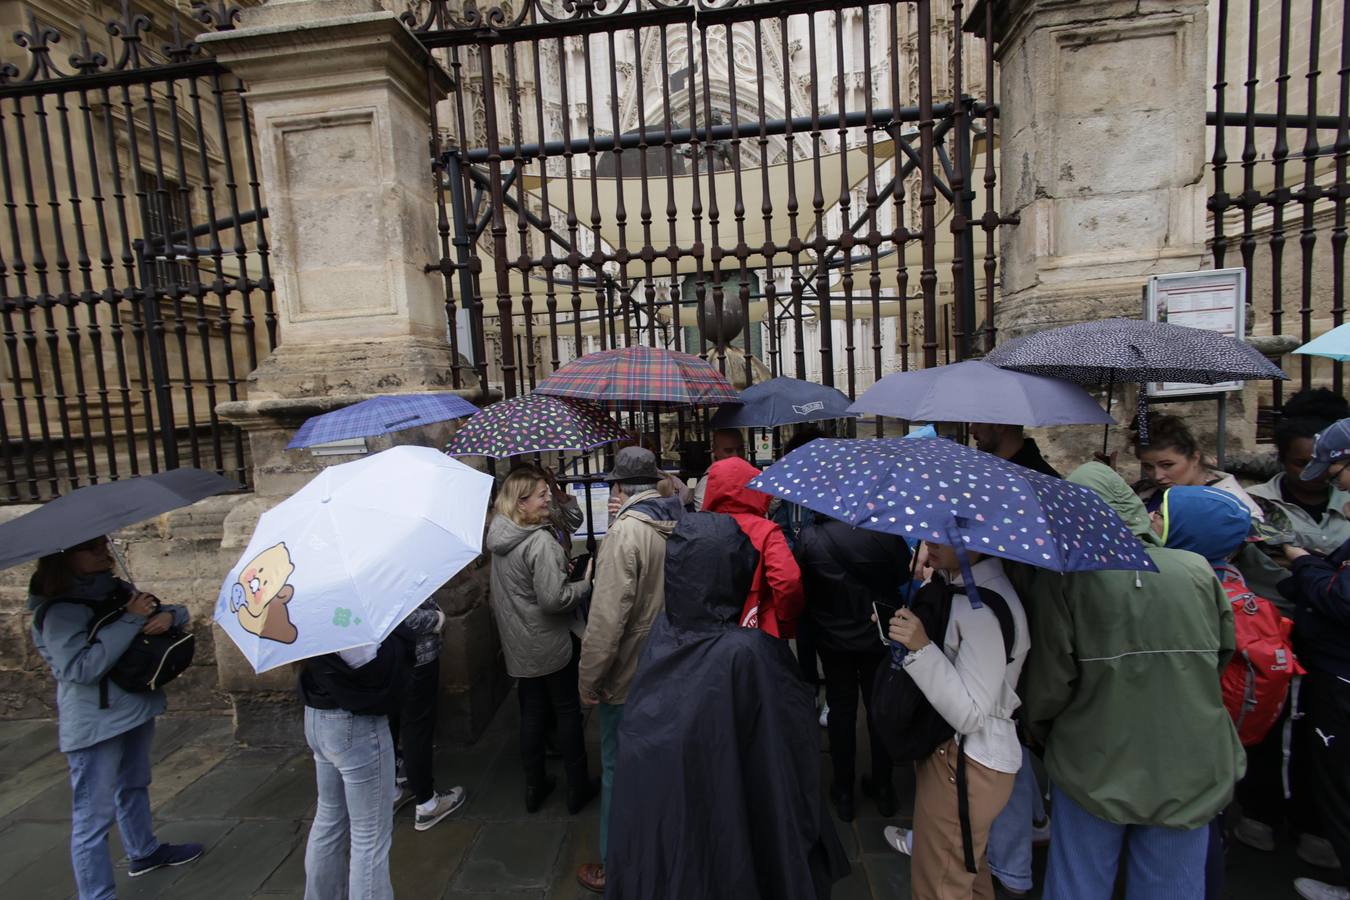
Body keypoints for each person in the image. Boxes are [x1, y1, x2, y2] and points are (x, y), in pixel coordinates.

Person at [1022, 463, 1243, 900]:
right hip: (1189, 761)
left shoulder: (1067, 581)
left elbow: (1050, 685)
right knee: (1172, 884)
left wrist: (1042, 731)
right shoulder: (1197, 570)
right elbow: (1220, 658)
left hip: (1094, 758)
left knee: (1079, 881)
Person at [603, 511, 850, 899]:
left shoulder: (663, 631)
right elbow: (789, 745)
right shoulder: (746, 652)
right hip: (722, 816)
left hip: (669, 821)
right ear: (734, 571)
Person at [28, 535, 203, 900]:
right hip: (96, 723)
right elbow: (79, 669)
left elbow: (170, 610)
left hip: (132, 706)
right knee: (93, 816)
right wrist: (128, 621)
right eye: (90, 549)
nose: (101, 554)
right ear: (65, 559)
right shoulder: (60, 612)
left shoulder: (113, 589)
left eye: (100, 546)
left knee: (135, 783)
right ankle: (96, 894)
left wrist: (169, 615)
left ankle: (144, 851)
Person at [882, 542, 1030, 900]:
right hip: (966, 763)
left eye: (939, 535)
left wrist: (920, 648)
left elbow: (970, 714)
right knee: (967, 876)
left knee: (939, 886)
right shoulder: (969, 590)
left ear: (972, 542)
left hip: (964, 766)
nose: (928, 544)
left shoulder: (982, 610)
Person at [576, 446, 685, 894]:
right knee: (661, 767)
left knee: (617, 770)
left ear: (617, 486)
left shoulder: (625, 535)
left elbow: (605, 622)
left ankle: (615, 865)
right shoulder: (675, 520)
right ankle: (666, 856)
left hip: (627, 675)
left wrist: (589, 680)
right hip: (668, 663)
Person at [485, 466, 596, 814]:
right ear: (522, 502)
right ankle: (578, 788)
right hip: (549, 641)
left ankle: (535, 786)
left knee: (531, 713)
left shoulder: (501, 536)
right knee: (566, 712)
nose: (548, 496)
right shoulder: (539, 542)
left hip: (518, 641)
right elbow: (553, 600)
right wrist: (585, 582)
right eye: (542, 494)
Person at [794, 512, 910, 821]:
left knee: (841, 710)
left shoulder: (810, 537)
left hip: (833, 639)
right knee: (878, 709)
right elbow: (902, 574)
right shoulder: (886, 532)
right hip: (877, 636)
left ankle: (843, 791)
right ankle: (884, 788)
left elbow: (802, 586)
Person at [1279, 417, 1350, 900]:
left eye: (1338, 471)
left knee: (1341, 784)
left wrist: (1302, 561)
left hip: (1342, 672)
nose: (1334, 482)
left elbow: (1341, 595)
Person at [298, 631, 412, 900]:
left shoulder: (309, 612)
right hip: (354, 727)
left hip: (317, 716)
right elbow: (374, 671)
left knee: (329, 818)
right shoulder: (348, 617)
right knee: (369, 837)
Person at [700, 455, 805, 637]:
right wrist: (784, 618)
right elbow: (787, 581)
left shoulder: (697, 528)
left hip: (708, 629)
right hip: (759, 626)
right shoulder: (766, 531)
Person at [388, 596, 465, 831]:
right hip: (416, 659)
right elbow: (404, 619)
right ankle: (427, 804)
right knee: (417, 729)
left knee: (393, 720)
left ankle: (392, 792)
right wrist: (438, 618)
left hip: (391, 661)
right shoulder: (388, 570)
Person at [1249, 389, 1350, 556]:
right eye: (1301, 463)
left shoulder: (1346, 497)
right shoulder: (1253, 503)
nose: (1313, 473)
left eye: (1320, 464)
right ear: (1282, 460)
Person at [1133, 413, 1262, 518]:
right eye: (1148, 467)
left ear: (1194, 458)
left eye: (1167, 465)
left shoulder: (1233, 506)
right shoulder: (1143, 492)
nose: (1157, 476)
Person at [970, 423, 1060, 477]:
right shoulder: (983, 468)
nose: (971, 430)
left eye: (978, 423)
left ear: (1000, 426)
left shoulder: (1043, 479)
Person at [693, 427, 746, 510]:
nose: (736, 455)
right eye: (728, 451)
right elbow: (704, 517)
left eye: (740, 449)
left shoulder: (751, 475)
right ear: (715, 450)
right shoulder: (707, 484)